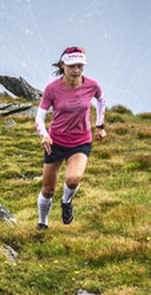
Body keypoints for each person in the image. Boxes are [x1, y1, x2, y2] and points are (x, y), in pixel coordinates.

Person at [35, 46, 106, 229]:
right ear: (62, 66)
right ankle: (42, 223)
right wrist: (44, 135)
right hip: (56, 142)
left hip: (80, 141)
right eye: (72, 66)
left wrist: (99, 125)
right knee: (48, 189)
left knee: (73, 179)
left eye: (80, 66)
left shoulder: (92, 85)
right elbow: (40, 117)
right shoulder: (52, 89)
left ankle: (66, 202)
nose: (76, 70)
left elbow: (101, 100)